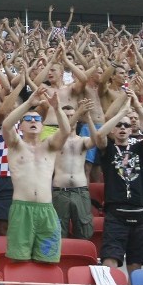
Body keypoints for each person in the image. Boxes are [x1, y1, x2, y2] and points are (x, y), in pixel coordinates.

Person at [93, 90, 143, 273]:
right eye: (118, 126)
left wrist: (138, 107)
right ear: (113, 130)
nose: (122, 128)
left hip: (140, 211)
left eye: (126, 126)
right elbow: (100, 135)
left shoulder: (139, 148)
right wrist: (121, 113)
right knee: (110, 257)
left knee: (136, 261)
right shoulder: (108, 150)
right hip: (116, 212)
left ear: (132, 130)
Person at [2, 86, 71, 263]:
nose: (33, 121)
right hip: (21, 208)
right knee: (18, 261)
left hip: (46, 209)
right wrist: (28, 103)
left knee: (47, 262)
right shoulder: (16, 145)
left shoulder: (49, 145)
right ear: (22, 126)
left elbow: (65, 131)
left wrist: (56, 107)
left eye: (37, 119)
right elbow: (6, 124)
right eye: (28, 119)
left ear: (42, 126)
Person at [52, 100, 97, 239]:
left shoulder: (82, 140)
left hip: (80, 190)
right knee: (58, 234)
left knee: (84, 232)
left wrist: (88, 117)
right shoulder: (55, 139)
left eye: (72, 115)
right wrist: (79, 112)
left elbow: (97, 140)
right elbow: (63, 130)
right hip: (60, 191)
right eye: (66, 116)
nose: (70, 118)